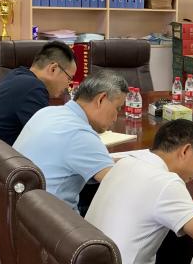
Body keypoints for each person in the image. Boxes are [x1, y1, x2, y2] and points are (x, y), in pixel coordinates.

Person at [85, 120, 193, 264]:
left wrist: (187, 205)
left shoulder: (127, 162)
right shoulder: (167, 183)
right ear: (185, 151)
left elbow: (145, 198)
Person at [13, 71, 127, 212]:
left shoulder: (47, 112)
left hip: (20, 209)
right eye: (117, 108)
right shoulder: (80, 134)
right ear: (101, 99)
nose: (115, 118)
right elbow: (120, 184)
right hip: (51, 220)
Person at [0, 41, 76, 179]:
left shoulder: (18, 76)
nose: (68, 86)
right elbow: (49, 139)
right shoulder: (32, 88)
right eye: (69, 78)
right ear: (53, 69)